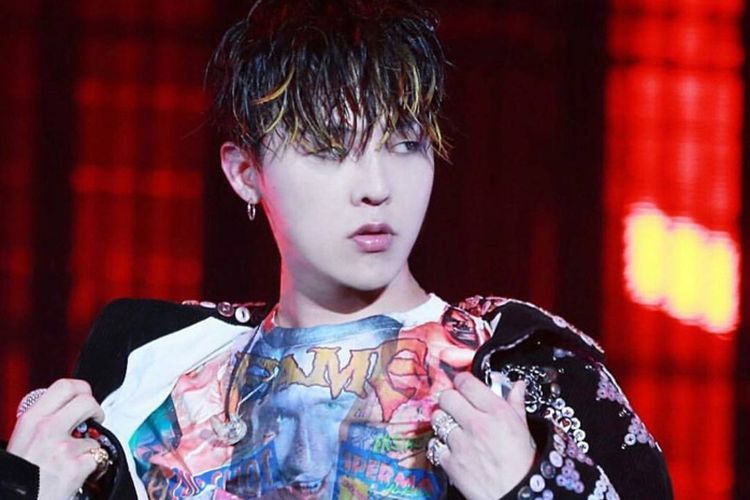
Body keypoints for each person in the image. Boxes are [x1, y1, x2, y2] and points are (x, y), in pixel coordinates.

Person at [0, 0, 673, 499]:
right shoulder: (149, 365)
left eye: (405, 143)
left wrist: (527, 488)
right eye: (329, 150)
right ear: (244, 172)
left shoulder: (517, 368)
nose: (376, 187)